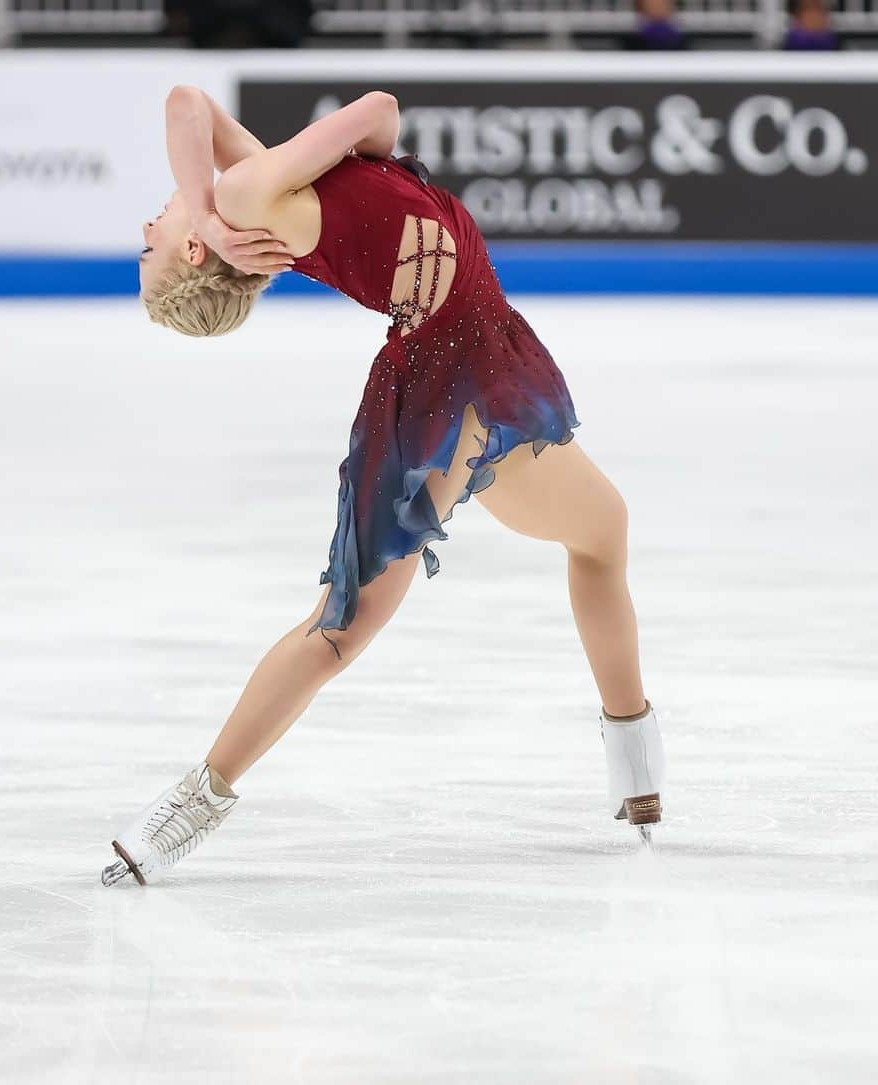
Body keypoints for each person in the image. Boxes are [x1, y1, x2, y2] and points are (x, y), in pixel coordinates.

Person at [101, 86, 666, 886]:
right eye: (150, 246)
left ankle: (634, 760)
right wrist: (212, 209)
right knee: (344, 624)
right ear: (196, 252)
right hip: (447, 374)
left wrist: (208, 212)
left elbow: (196, 108)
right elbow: (374, 111)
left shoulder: (252, 192)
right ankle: (185, 810)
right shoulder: (246, 194)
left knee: (602, 528)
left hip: (481, 350)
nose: (148, 231)